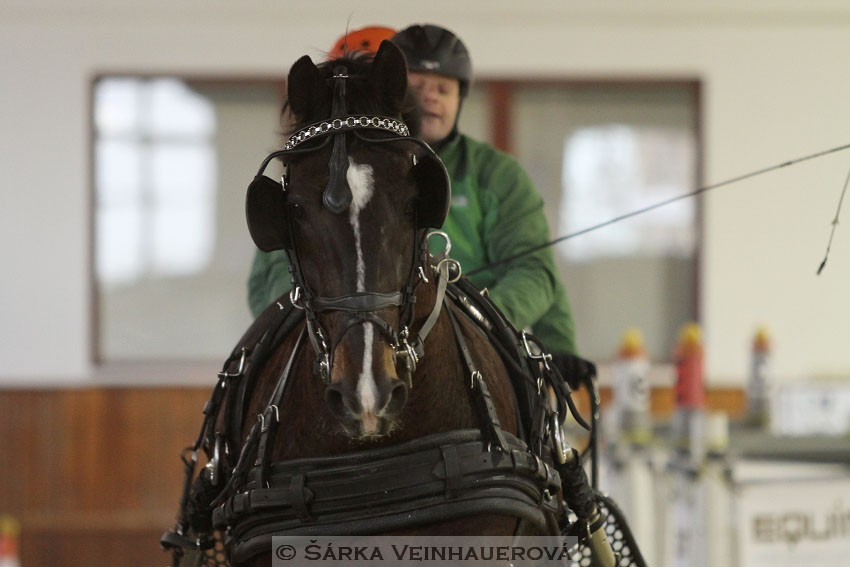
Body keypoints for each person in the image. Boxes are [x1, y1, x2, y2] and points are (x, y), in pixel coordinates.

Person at [248, 24, 584, 377]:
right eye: (419, 87)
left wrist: (550, 342)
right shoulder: (323, 172)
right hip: (341, 339)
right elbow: (274, 270)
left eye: (443, 89)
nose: (430, 98)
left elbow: (536, 267)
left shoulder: (495, 173)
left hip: (474, 343)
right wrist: (318, 322)